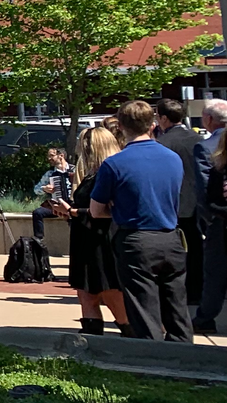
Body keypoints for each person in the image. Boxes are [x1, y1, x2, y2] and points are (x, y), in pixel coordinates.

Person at [93, 100, 191, 341]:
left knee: (144, 311)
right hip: (171, 237)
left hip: (135, 239)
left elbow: (96, 211)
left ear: (122, 126)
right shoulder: (172, 158)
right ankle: (188, 359)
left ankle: (152, 363)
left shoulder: (114, 163)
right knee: (177, 308)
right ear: (152, 123)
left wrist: (117, 209)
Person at [49, 125, 129, 336]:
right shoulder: (92, 174)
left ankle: (133, 336)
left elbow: (109, 210)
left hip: (102, 240)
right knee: (86, 292)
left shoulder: (110, 173)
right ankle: (91, 340)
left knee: (110, 291)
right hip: (85, 238)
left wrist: (73, 211)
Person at [154, 98, 205, 307]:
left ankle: (178, 292)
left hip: (172, 205)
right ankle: (197, 291)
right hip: (198, 204)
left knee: (175, 254)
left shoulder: (162, 144)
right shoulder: (198, 139)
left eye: (158, 116)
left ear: (164, 118)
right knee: (197, 250)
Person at [196, 99, 227, 334]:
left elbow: (206, 193)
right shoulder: (217, 161)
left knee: (215, 273)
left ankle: (206, 317)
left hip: (220, 225)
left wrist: (210, 221)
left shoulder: (208, 150)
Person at [31, 146, 74, 240]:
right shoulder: (50, 174)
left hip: (73, 205)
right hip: (57, 207)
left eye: (52, 155)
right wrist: (44, 189)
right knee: (37, 213)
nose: (49, 158)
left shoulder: (75, 170)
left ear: (61, 156)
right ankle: (39, 241)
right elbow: (36, 189)